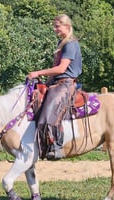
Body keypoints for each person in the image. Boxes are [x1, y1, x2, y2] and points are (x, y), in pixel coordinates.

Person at [28, 14, 82, 160]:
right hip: (57, 83)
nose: (55, 28)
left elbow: (61, 69)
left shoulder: (71, 43)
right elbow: (55, 69)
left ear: (67, 26)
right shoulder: (62, 43)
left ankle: (56, 147)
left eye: (57, 26)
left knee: (48, 115)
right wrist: (45, 84)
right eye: (55, 25)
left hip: (66, 84)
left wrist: (37, 72)